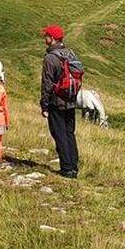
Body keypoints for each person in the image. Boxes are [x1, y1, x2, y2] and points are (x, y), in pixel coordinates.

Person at [40, 25, 80, 178]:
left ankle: (66, 168)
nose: (45, 38)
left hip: (57, 102)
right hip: (71, 100)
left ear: (52, 38)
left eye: (47, 36)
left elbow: (47, 84)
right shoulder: (70, 53)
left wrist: (44, 104)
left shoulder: (50, 58)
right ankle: (74, 166)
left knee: (59, 133)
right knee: (70, 133)